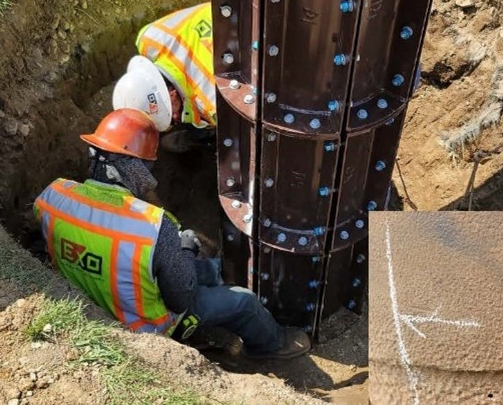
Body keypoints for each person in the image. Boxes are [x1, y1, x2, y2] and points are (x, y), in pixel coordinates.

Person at [33, 108, 311, 360]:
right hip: (148, 324)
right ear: (134, 168)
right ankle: (270, 346)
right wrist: (186, 249)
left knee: (218, 270)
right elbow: (182, 299)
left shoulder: (51, 198)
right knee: (244, 302)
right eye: (148, 165)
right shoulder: (153, 227)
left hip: (101, 294)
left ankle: (229, 274)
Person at [112, 3, 215, 153]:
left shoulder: (211, 105)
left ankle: (208, 139)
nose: (176, 120)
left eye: (172, 118)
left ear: (172, 95)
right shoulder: (150, 38)